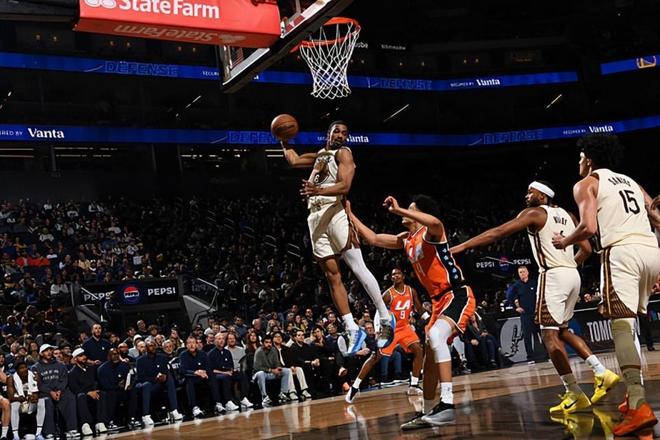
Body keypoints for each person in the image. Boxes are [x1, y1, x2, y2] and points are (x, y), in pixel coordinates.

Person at [451, 180, 619, 414]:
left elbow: (498, 233)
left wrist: (462, 247)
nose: (526, 195)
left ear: (543, 196)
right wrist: (568, 265)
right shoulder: (569, 215)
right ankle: (601, 371)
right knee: (562, 331)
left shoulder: (534, 214)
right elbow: (587, 250)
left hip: (553, 275)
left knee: (548, 335)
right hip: (572, 275)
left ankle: (574, 392)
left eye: (531, 192)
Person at [551, 134, 660, 436]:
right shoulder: (633, 182)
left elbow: (588, 227)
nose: (578, 162)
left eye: (580, 157)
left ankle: (639, 404)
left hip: (621, 251)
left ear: (588, 159)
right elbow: (656, 217)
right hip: (651, 251)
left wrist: (565, 241)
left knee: (621, 326)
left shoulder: (586, 183)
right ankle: (633, 397)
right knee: (631, 324)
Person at [349, 195, 476, 429]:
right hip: (437, 302)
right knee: (429, 358)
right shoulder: (406, 239)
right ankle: (427, 412)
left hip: (456, 293)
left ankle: (447, 404)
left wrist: (400, 210)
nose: (405, 211)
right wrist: (349, 213)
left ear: (419, 213)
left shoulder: (432, 232)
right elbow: (373, 238)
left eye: (411, 209)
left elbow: (436, 222)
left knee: (435, 336)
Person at [281, 120, 394, 355]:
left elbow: (345, 186)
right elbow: (294, 160)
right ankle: (352, 327)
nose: (341, 135)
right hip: (315, 217)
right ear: (328, 133)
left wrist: (317, 190)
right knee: (332, 276)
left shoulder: (344, 154)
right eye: (337, 131)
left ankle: (385, 317)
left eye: (345, 133)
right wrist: (283, 140)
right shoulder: (321, 155)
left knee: (357, 266)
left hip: (335, 212)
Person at [345, 268, 426, 404]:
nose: (395, 276)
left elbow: (419, 308)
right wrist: (378, 330)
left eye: (398, 273)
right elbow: (378, 312)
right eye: (393, 274)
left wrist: (428, 318)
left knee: (418, 350)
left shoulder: (411, 291)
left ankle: (414, 384)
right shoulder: (388, 294)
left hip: (405, 327)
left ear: (403, 276)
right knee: (375, 356)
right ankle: (354, 387)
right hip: (390, 329)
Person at [32, 344, 78, 439]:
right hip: (45, 392)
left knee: (70, 397)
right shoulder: (35, 367)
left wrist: (59, 390)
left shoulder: (60, 365)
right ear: (41, 353)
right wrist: (50, 392)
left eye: (50, 350)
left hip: (59, 391)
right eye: (46, 350)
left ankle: (72, 429)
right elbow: (38, 384)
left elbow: (64, 379)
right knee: (46, 401)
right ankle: (49, 432)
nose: (49, 352)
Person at [135, 341, 183, 426]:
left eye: (154, 345)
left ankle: (174, 410)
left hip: (161, 383)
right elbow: (141, 378)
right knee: (146, 385)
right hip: (150, 384)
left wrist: (164, 376)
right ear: (146, 348)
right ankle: (146, 416)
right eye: (150, 346)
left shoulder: (162, 357)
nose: (152, 347)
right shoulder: (140, 360)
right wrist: (155, 379)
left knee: (169, 379)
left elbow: (165, 370)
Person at [179, 335, 223, 417]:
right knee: (189, 380)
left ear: (196, 344)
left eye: (193, 343)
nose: (191, 345)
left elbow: (208, 366)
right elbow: (183, 370)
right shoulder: (183, 355)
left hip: (202, 376)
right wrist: (195, 372)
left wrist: (204, 372)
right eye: (189, 343)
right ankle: (194, 407)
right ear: (186, 345)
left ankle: (217, 403)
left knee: (212, 377)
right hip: (191, 377)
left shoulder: (202, 354)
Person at [505, 266, 543, 362]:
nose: (522, 274)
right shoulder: (516, 286)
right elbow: (509, 297)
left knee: (542, 334)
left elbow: (541, 295)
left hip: (536, 313)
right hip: (525, 314)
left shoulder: (534, 283)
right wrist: (516, 307)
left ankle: (548, 355)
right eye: (520, 272)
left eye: (523, 271)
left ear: (527, 272)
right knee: (527, 336)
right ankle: (530, 357)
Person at [67, 348, 108, 436]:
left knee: (102, 394)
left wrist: (94, 391)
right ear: (75, 359)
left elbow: (95, 382)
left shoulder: (91, 369)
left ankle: (100, 422)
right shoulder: (72, 373)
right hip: (82, 395)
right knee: (81, 396)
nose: (84, 357)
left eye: (84, 355)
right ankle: (85, 424)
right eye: (80, 356)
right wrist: (88, 392)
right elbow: (75, 389)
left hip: (92, 392)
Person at [96, 348, 139, 430]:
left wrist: (130, 385)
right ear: (108, 356)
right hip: (110, 392)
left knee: (132, 391)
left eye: (117, 354)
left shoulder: (125, 365)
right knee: (111, 394)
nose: (115, 356)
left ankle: (132, 419)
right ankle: (110, 421)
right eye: (113, 354)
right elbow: (105, 386)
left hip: (123, 390)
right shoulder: (102, 369)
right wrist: (117, 386)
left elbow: (132, 377)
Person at [252, 335, 291, 407]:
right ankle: (264, 396)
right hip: (261, 373)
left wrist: (278, 368)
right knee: (260, 374)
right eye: (266, 342)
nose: (269, 344)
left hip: (272, 372)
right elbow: (257, 367)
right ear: (262, 343)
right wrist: (271, 370)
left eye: (270, 342)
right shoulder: (259, 352)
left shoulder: (273, 350)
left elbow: (277, 363)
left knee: (286, 371)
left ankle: (283, 393)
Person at [7, 361, 41, 440]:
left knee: (42, 402)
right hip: (20, 404)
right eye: (21, 368)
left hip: (31, 404)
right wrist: (25, 398)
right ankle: (15, 435)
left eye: (25, 367)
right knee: (14, 405)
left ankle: (39, 433)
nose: (25, 369)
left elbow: (37, 393)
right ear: (17, 371)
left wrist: (34, 397)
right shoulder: (11, 378)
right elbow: (11, 397)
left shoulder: (33, 376)